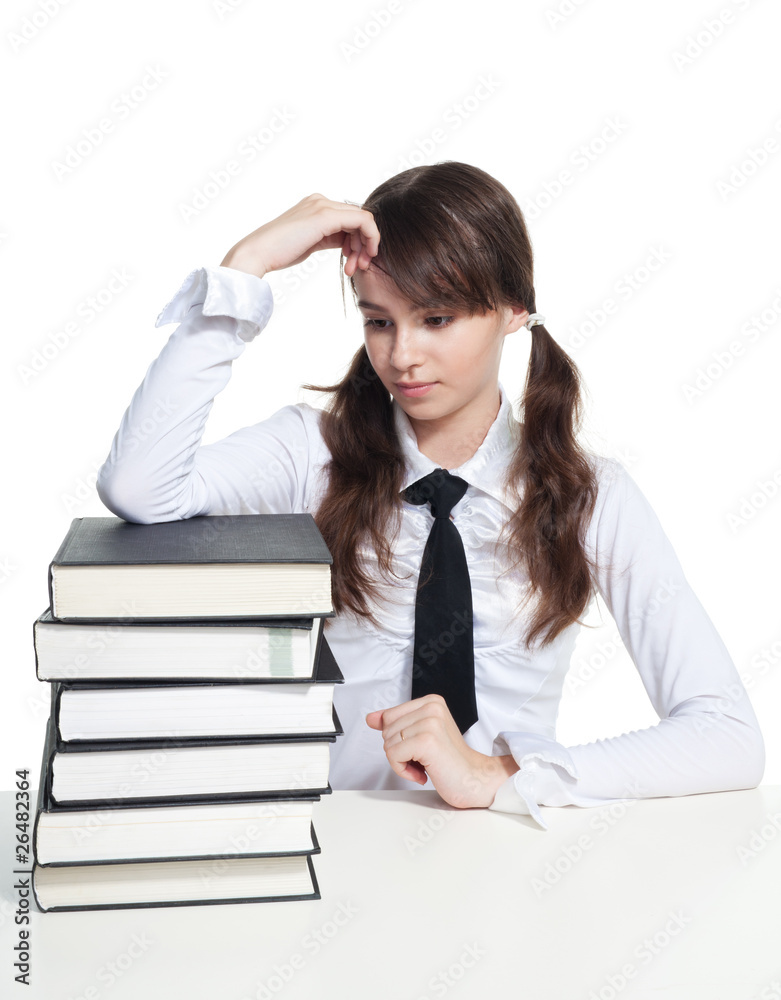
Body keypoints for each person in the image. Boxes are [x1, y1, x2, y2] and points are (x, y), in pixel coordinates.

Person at [96, 161, 764, 829]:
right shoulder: (311, 452)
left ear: (512, 310)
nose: (402, 356)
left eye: (436, 319)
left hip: (503, 852)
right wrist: (244, 270)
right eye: (379, 321)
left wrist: (505, 773)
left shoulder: (590, 495)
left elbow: (726, 736)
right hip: (335, 845)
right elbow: (139, 488)